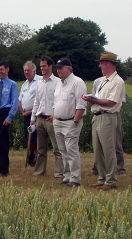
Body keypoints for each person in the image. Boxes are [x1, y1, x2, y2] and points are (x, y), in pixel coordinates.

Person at [82, 52, 125, 191]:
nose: (100, 65)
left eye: (102, 63)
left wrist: (93, 100)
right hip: (97, 116)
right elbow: (100, 99)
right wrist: (92, 99)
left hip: (108, 117)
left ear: (109, 64)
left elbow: (111, 102)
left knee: (108, 150)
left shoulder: (117, 81)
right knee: (98, 150)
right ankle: (102, 178)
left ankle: (111, 180)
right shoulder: (102, 81)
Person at [52, 58, 86, 187]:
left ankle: (75, 179)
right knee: (62, 151)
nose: (58, 70)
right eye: (57, 68)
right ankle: (66, 177)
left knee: (71, 150)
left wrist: (75, 121)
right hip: (58, 121)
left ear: (69, 69)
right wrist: (55, 117)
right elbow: (56, 102)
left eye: (61, 67)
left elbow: (81, 105)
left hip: (71, 121)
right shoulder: (59, 83)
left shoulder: (78, 82)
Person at [30, 56, 64, 178]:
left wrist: (55, 115)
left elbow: (59, 100)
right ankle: (39, 172)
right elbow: (36, 101)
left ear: (50, 66)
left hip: (51, 119)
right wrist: (32, 119)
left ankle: (59, 172)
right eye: (41, 66)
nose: (42, 68)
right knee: (40, 149)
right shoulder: (39, 82)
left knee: (57, 148)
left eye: (44, 66)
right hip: (40, 119)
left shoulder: (57, 82)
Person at [19, 61, 41, 166]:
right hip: (26, 116)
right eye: (25, 70)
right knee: (28, 137)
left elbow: (41, 101)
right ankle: (31, 157)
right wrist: (22, 111)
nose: (26, 72)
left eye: (28, 70)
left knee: (35, 137)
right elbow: (20, 100)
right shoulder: (24, 84)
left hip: (36, 115)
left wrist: (30, 111)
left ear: (34, 71)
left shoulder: (40, 81)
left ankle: (36, 158)